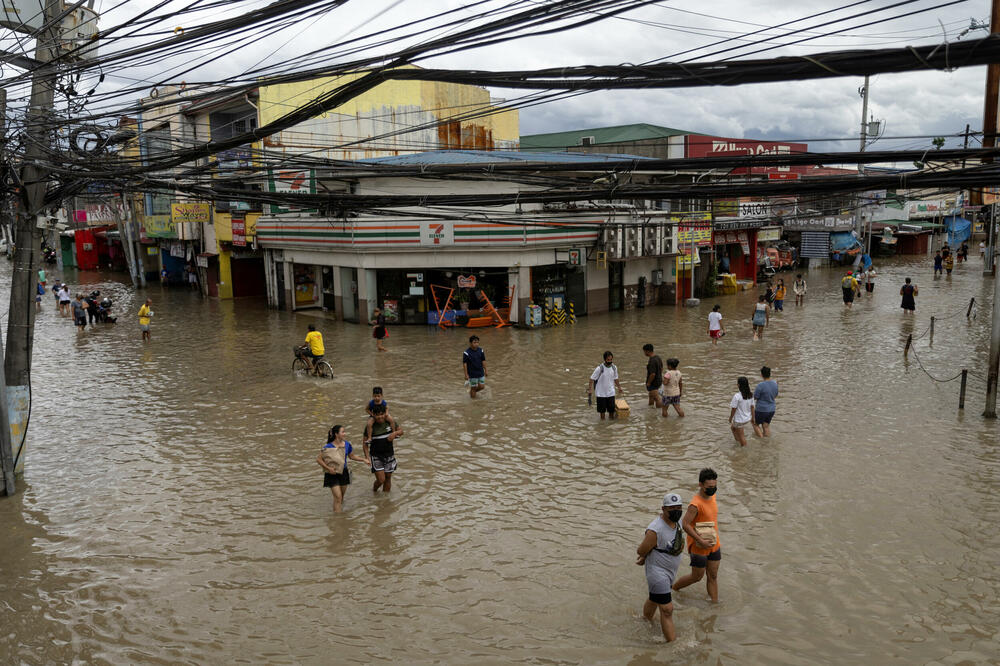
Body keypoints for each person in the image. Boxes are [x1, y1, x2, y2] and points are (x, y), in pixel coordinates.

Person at [636, 492, 686, 642]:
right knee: (667, 610)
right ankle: (672, 645)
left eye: (679, 507)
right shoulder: (655, 529)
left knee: (654, 598)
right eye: (672, 508)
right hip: (658, 572)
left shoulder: (678, 522)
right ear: (663, 509)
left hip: (671, 571)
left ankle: (645, 619)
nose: (676, 511)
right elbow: (641, 550)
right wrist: (644, 556)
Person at [673, 468, 721, 603]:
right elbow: (685, 524)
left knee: (713, 576)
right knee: (696, 577)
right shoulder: (695, 505)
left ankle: (714, 604)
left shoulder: (713, 496)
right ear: (701, 484)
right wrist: (700, 540)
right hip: (699, 546)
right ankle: (674, 588)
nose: (713, 489)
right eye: (709, 487)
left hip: (714, 543)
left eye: (715, 486)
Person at [316, 425, 370, 513]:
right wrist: (328, 468)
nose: (345, 434)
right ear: (336, 434)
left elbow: (352, 456)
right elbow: (318, 459)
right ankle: (338, 520)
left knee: (341, 497)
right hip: (331, 474)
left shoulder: (347, 445)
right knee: (338, 497)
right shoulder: (328, 447)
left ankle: (340, 515)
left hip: (344, 472)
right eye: (343, 432)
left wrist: (364, 459)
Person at [364, 405, 402, 493]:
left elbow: (401, 431)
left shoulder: (390, 422)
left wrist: (394, 433)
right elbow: (365, 444)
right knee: (381, 480)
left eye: (382, 414)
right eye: (377, 415)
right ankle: (374, 491)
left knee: (388, 478)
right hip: (376, 455)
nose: (380, 417)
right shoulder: (370, 426)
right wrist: (367, 457)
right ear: (373, 415)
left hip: (389, 454)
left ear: (385, 414)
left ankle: (385, 501)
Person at [588, 351, 623, 421]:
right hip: (601, 394)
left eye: (611, 360)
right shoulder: (599, 368)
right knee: (602, 413)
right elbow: (591, 379)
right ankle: (602, 426)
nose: (610, 361)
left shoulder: (614, 367)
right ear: (604, 359)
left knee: (611, 412)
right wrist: (590, 389)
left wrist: (619, 387)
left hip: (611, 393)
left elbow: (616, 378)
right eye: (608, 360)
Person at [752, 366, 779, 437]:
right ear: (770, 374)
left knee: (755, 424)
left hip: (761, 409)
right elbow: (775, 395)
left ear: (761, 374)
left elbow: (755, 397)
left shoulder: (760, 385)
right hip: (772, 409)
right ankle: (767, 441)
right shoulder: (775, 383)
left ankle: (761, 441)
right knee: (765, 426)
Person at [728, 376, 754, 447]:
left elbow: (733, 409)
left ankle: (743, 448)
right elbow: (752, 407)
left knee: (742, 435)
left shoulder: (737, 396)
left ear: (739, 385)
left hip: (740, 420)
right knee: (733, 428)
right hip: (747, 418)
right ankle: (738, 442)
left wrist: (730, 418)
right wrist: (753, 418)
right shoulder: (750, 395)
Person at [463, 335, 487, 399]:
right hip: (472, 374)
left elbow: (483, 360)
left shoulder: (481, 350)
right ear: (470, 343)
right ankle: (473, 402)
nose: (476, 344)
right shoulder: (466, 353)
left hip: (480, 372)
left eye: (477, 342)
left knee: (482, 387)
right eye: (474, 342)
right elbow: (465, 364)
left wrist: (486, 370)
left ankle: (471, 392)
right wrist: (466, 374)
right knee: (473, 388)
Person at [643, 343, 663, 410]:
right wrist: (659, 376)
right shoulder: (658, 357)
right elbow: (661, 368)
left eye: (644, 351)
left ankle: (659, 412)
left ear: (647, 351)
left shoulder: (652, 361)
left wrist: (648, 382)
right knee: (651, 396)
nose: (644, 353)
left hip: (653, 382)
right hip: (659, 380)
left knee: (657, 398)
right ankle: (650, 409)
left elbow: (652, 374)